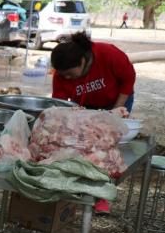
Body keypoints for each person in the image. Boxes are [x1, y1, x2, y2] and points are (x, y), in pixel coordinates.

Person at [51, 31, 137, 214]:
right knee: (81, 145)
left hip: (116, 100)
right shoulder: (60, 74)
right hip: (84, 106)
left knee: (104, 148)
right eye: (62, 75)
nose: (66, 78)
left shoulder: (109, 54)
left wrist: (114, 113)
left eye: (69, 74)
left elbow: (128, 79)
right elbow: (59, 105)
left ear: (82, 62)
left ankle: (101, 196)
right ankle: (75, 191)